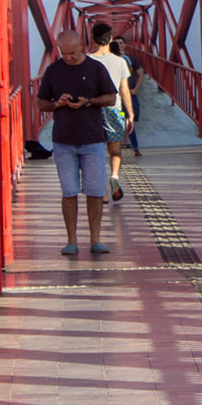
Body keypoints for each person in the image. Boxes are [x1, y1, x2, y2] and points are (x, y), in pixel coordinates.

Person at [36, 30, 117, 255]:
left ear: (81, 46)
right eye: (64, 53)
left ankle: (95, 240)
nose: (68, 57)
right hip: (63, 141)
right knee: (69, 191)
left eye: (72, 53)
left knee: (94, 191)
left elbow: (111, 97)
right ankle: (71, 241)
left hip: (92, 139)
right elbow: (41, 103)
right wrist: (56, 104)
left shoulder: (95, 69)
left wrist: (88, 102)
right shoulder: (53, 71)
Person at [89, 22, 134, 202]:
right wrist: (129, 115)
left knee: (95, 152)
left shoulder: (87, 60)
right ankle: (114, 177)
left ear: (93, 39)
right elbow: (125, 90)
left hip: (92, 112)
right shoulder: (120, 61)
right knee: (115, 151)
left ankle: (102, 191)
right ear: (111, 39)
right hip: (115, 111)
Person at [113, 35, 143, 156]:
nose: (119, 45)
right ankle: (131, 146)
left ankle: (129, 144)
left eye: (121, 43)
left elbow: (139, 74)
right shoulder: (112, 59)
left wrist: (136, 89)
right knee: (122, 119)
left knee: (129, 119)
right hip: (116, 96)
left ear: (125, 45)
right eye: (116, 43)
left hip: (129, 94)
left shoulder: (129, 58)